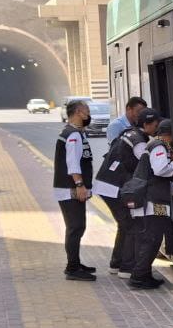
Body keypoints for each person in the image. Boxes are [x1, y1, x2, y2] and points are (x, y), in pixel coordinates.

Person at [94, 107, 159, 277]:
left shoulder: (130, 133)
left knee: (124, 226)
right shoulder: (139, 142)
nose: (157, 127)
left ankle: (116, 264)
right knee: (131, 225)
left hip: (107, 183)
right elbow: (150, 164)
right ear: (147, 124)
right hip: (113, 186)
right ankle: (127, 268)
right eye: (156, 124)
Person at [128, 118, 173, 290]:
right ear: (170, 134)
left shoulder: (156, 145)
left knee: (153, 239)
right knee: (152, 239)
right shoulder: (159, 146)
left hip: (154, 199)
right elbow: (159, 170)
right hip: (152, 202)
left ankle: (144, 274)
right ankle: (138, 276)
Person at [54, 99, 96, 281]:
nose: (88, 114)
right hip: (70, 188)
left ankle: (76, 263)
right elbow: (73, 164)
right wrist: (79, 185)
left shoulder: (75, 132)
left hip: (69, 188)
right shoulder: (73, 135)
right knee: (75, 227)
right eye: (87, 110)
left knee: (77, 226)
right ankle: (72, 268)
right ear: (79, 112)